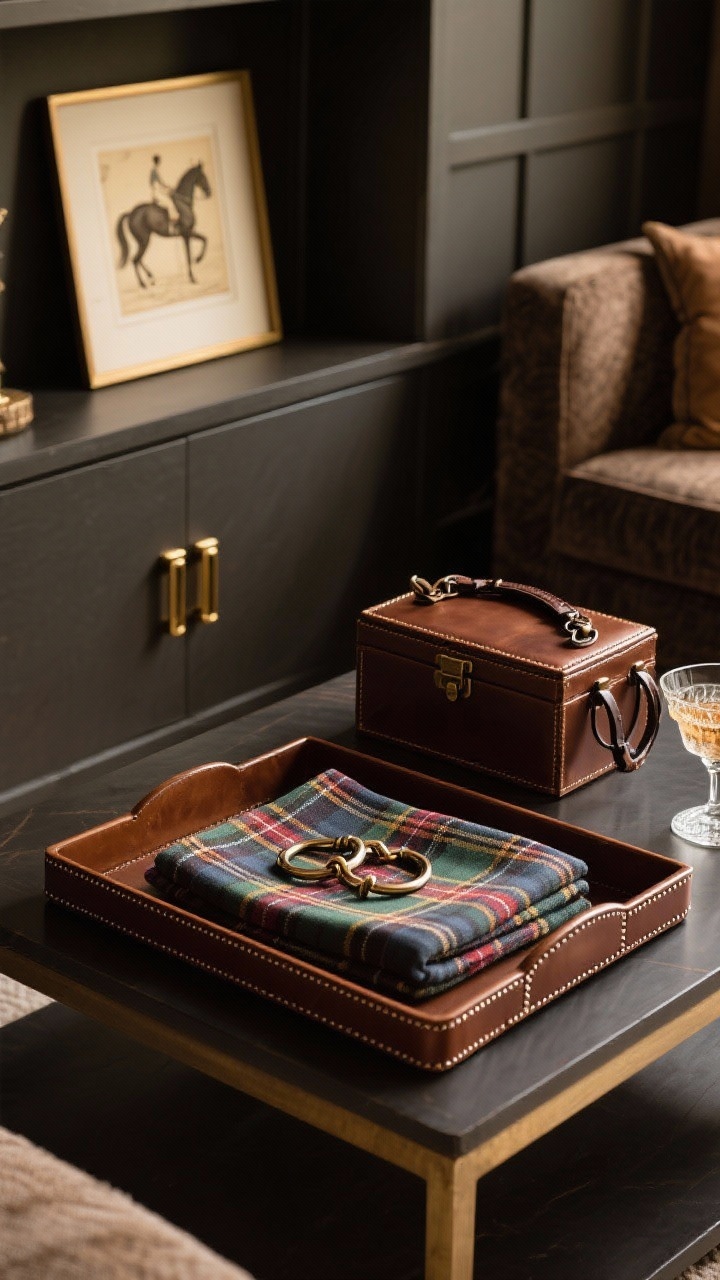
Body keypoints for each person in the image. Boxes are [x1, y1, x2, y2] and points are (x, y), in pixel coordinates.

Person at [149, 156, 179, 232]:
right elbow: (156, 184)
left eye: (159, 161)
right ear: (156, 162)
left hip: (158, 190)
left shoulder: (156, 171)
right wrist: (165, 190)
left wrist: (168, 187)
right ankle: (171, 227)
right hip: (157, 192)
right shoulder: (153, 171)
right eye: (158, 161)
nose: (158, 163)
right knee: (170, 203)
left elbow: (161, 183)